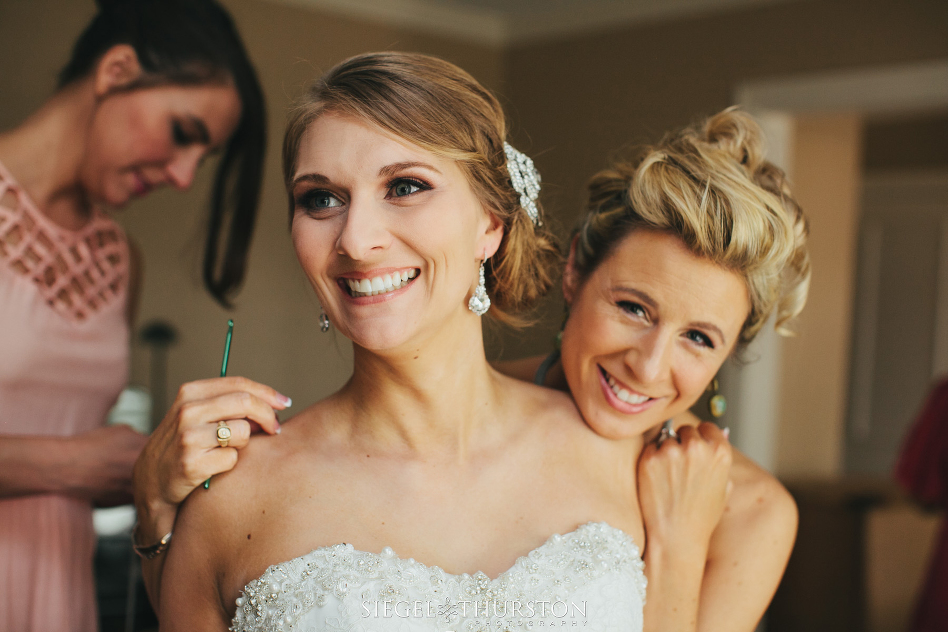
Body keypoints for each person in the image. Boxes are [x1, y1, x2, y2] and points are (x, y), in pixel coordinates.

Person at [0, 1, 272, 630]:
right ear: (117, 70)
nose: (182, 177)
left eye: (200, 161)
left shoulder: (119, 261)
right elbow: (77, 460)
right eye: (183, 133)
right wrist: (71, 464)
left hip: (59, 594)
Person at [498, 107, 809, 631]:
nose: (648, 366)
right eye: (633, 308)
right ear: (575, 271)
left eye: (698, 338)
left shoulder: (755, 512)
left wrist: (680, 546)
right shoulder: (466, 402)